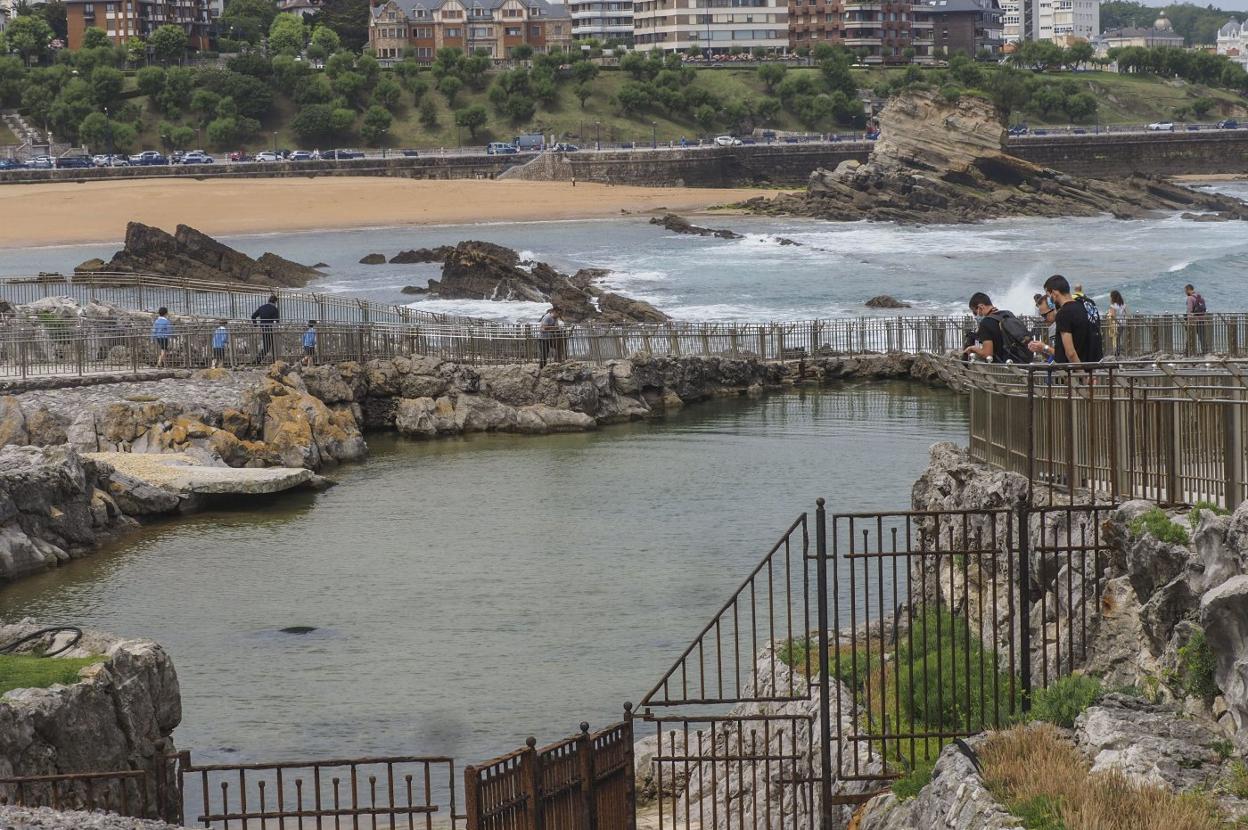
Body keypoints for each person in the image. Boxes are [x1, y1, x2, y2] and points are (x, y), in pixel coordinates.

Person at [1028, 274, 1102, 364]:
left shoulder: (1064, 313)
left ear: (1054, 293)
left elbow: (1069, 353)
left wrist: (1082, 374)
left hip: (1077, 372)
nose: (1050, 299)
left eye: (1049, 295)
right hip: (1096, 366)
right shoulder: (1089, 303)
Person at [964, 292, 1032, 363]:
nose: (975, 316)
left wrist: (973, 348)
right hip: (1020, 361)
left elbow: (987, 354)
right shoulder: (1008, 314)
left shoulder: (985, 323)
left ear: (981, 307)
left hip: (1001, 368)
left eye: (975, 313)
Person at [251, 295, 279, 363]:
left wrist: (256, 325)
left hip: (263, 328)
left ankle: (260, 360)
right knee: (268, 346)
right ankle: (257, 360)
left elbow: (253, 316)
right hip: (270, 329)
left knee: (267, 345)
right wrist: (276, 326)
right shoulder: (274, 309)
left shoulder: (262, 307)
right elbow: (277, 321)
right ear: (275, 302)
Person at [1185, 284, 1209, 354]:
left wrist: (1188, 321)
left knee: (1190, 336)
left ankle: (1188, 352)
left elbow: (1189, 310)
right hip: (1201, 320)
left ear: (1188, 290)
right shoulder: (1200, 297)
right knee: (1202, 337)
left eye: (1185, 290)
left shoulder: (1190, 298)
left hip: (1193, 321)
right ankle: (1205, 352)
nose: (1185, 292)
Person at [1107, 290, 1127, 356]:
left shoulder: (1113, 306)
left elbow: (1113, 316)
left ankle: (1116, 353)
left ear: (1113, 297)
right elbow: (1126, 313)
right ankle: (1118, 352)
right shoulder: (1123, 304)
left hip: (1116, 325)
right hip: (1123, 323)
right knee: (1118, 338)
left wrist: (1109, 314)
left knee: (1115, 339)